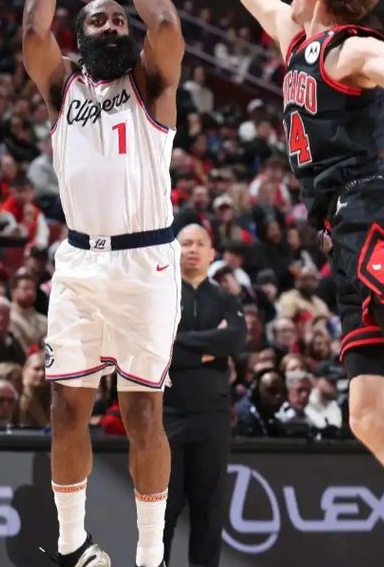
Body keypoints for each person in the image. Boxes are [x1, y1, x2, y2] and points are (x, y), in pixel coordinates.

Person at [156, 0, 384, 563]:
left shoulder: (350, 50)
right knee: (369, 414)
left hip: (372, 212)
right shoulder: (295, 41)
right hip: (340, 230)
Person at [23, 0, 184, 567]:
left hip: (147, 263)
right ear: (81, 36)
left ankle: (149, 555)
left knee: (143, 413)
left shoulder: (150, 84)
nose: (113, 26)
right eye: (99, 21)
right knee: (67, 408)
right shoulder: (62, 86)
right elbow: (34, 31)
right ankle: (72, 545)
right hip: (80, 263)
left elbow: (167, 24)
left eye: (119, 20)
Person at [163, 224, 245, 567]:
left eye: (200, 243)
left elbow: (235, 339)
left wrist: (182, 346)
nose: (193, 249)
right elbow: (160, 348)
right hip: (168, 415)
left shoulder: (226, 299)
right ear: (175, 250)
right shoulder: (161, 294)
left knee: (209, 511)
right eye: (186, 243)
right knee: (162, 511)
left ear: (212, 253)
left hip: (213, 416)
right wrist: (209, 349)